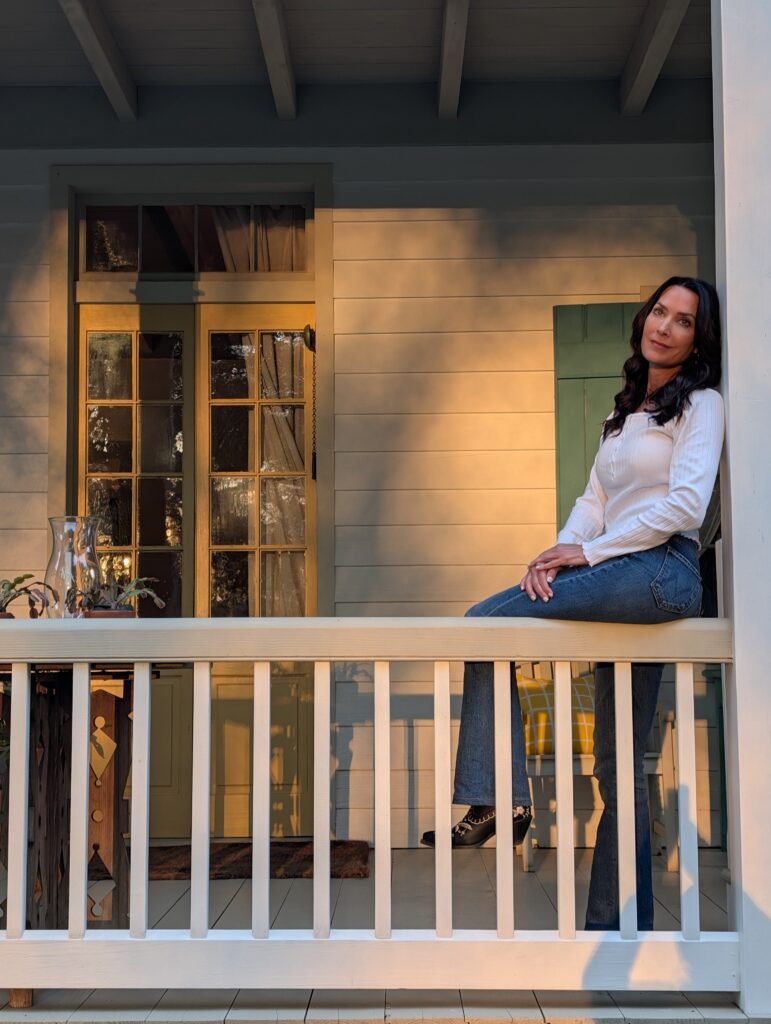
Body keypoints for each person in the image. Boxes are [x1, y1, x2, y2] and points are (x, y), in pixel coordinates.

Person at [421, 276, 725, 931]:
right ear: (644, 318)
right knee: (618, 767)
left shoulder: (701, 404)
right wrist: (557, 549)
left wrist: (586, 557)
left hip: (658, 573)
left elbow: (685, 507)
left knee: (484, 624)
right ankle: (618, 928)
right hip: (621, 573)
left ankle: (495, 797)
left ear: (697, 339)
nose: (663, 326)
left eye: (682, 320)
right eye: (659, 312)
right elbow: (593, 500)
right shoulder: (626, 413)